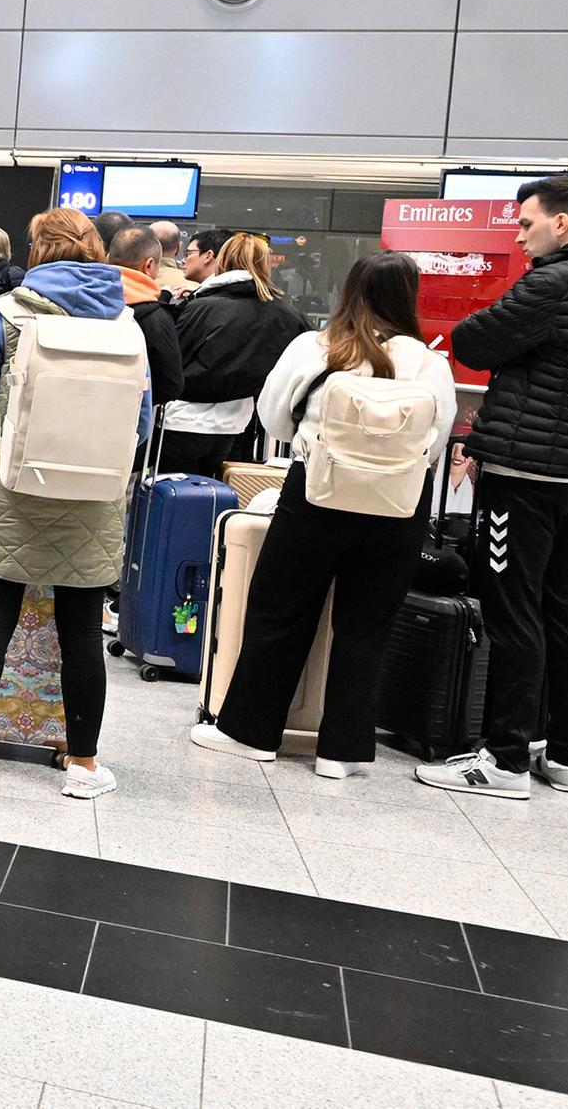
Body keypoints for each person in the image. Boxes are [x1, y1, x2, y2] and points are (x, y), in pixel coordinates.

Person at [416, 177, 568, 801]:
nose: (519, 236)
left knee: (511, 609)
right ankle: (566, 751)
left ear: (563, 224)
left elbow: (472, 340)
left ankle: (502, 760)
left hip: (528, 476)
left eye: (527, 224)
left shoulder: (557, 281)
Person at [190, 252, 456, 779]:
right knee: (367, 626)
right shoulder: (430, 363)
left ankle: (250, 733)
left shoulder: (315, 347)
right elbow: (436, 440)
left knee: (280, 611)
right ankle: (343, 750)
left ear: (350, 291)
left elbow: (273, 417)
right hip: (398, 505)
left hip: (317, 493)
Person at [0, 208, 149, 801]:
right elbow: (140, 419)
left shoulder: (7, 315)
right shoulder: (126, 322)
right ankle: (83, 763)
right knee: (81, 631)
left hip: (14, 489)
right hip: (94, 493)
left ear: (38, 250)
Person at [159, 231, 305, 475]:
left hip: (182, 420)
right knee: (219, 498)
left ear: (222, 259)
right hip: (237, 423)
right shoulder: (285, 313)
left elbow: (174, 360)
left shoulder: (201, 306)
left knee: (174, 496)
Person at [107, 224, 186, 409]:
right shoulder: (156, 318)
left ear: (108, 258)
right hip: (129, 419)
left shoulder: (82, 301)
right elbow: (171, 385)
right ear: (149, 265)